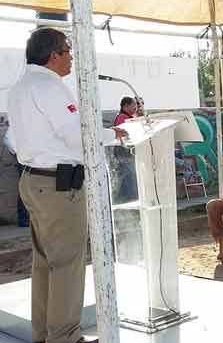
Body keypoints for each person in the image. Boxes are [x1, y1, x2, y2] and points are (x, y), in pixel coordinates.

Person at [7, 27, 127, 343]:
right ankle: (65, 337)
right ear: (53, 55)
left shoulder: (20, 87)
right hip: (59, 186)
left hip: (35, 180)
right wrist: (113, 134)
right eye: (67, 51)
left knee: (45, 263)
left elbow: (16, 139)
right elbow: (78, 135)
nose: (72, 57)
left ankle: (44, 334)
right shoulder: (50, 87)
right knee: (67, 265)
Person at [3, 127, 29, 227]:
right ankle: (24, 219)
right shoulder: (17, 122)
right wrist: (19, 153)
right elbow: (8, 139)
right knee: (25, 188)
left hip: (32, 158)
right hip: (24, 158)